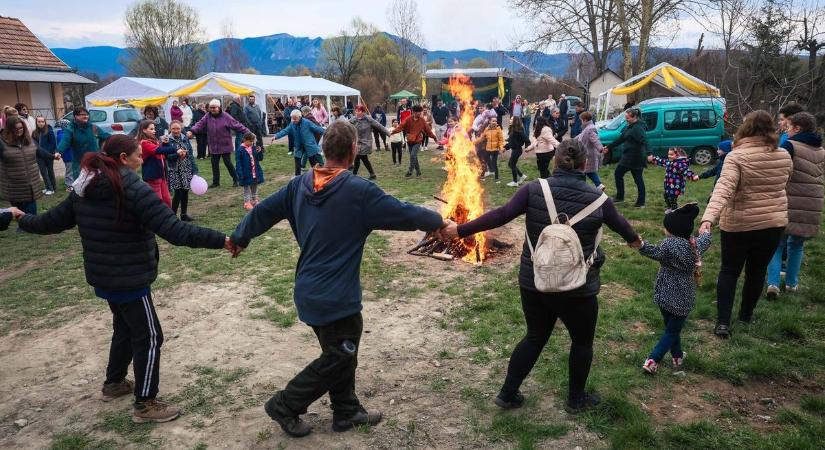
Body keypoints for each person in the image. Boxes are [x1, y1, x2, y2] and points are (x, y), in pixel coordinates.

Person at [226, 120, 448, 438]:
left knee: (342, 348)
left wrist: (240, 236)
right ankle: (285, 404)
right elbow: (405, 212)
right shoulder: (358, 191)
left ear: (324, 149)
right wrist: (438, 220)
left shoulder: (298, 185)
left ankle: (346, 411)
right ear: (354, 150)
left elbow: (261, 213)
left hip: (309, 290)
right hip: (333, 297)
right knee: (340, 354)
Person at [9, 134, 230, 424]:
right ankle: (145, 404)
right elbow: (176, 231)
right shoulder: (131, 187)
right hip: (129, 278)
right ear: (124, 159)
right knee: (150, 336)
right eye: (139, 155)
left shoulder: (84, 184)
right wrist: (223, 240)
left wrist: (22, 217)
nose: (142, 159)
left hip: (105, 277)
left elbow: (51, 222)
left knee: (125, 328)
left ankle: (114, 384)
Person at [439, 139, 641, 414]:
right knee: (582, 342)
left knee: (534, 336)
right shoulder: (600, 200)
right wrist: (637, 243)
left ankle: (507, 393)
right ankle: (576, 399)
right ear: (584, 165)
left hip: (535, 281)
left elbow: (501, 215)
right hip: (578, 288)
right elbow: (625, 229)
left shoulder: (533, 190)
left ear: (555, 162)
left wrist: (460, 230)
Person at [699, 110, 793, 339]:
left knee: (730, 271)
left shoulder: (736, 156)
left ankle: (723, 322)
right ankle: (745, 316)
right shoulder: (783, 155)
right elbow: (784, 183)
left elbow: (723, 188)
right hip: (773, 224)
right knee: (757, 271)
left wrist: (708, 218)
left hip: (739, 224)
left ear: (746, 129)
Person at [638, 204, 712, 374]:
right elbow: (705, 240)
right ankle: (676, 356)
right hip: (684, 296)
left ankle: (653, 359)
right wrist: (706, 229)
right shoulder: (694, 244)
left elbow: (653, 252)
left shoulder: (667, 245)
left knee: (671, 330)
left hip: (664, 293)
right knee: (672, 330)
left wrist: (641, 245)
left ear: (670, 230)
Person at [766, 112, 824, 299]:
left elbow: (778, 171)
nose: (786, 130)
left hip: (789, 201)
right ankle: (791, 284)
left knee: (776, 244)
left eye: (788, 127)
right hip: (812, 203)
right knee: (797, 245)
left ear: (797, 128)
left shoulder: (790, 146)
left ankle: (773, 283)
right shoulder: (821, 150)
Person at [188, 99, 249, 188]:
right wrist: (192, 131)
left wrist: (247, 132)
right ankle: (216, 182)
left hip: (225, 144)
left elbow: (237, 125)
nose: (212, 109)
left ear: (219, 107)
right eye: (211, 108)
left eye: (214, 108)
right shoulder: (207, 116)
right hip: (213, 145)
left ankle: (236, 179)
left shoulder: (226, 116)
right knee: (214, 164)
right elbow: (199, 124)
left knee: (228, 163)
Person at [0, 117, 46, 218]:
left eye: (21, 128)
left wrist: (54, 156)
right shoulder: (2, 143)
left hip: (30, 183)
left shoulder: (29, 140)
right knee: (18, 209)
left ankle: (30, 225)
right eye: (15, 129)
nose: (19, 131)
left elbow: (40, 151)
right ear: (9, 129)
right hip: (13, 184)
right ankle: (23, 225)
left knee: (31, 208)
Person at [606, 108, 648, 208]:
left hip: (636, 158)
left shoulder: (638, 128)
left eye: (628, 118)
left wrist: (649, 153)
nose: (626, 119)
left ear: (634, 117)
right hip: (628, 157)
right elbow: (621, 139)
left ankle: (640, 202)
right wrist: (608, 147)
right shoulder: (630, 126)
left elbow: (645, 141)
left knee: (637, 179)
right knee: (619, 174)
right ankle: (620, 197)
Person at [58, 106, 112, 179]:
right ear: (75, 116)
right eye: (82, 114)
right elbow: (64, 142)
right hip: (80, 165)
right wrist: (58, 152)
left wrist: (119, 139)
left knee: (98, 185)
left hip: (95, 163)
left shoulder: (93, 127)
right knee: (82, 187)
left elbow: (106, 136)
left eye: (87, 114)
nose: (86, 116)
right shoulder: (70, 129)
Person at [137, 119, 179, 207]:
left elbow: (163, 154)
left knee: (167, 200)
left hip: (161, 176)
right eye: (151, 129)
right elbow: (159, 150)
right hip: (153, 176)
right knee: (158, 202)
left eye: (154, 129)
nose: (154, 131)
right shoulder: (144, 143)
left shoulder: (154, 141)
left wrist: (166, 143)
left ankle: (168, 219)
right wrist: (175, 148)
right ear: (144, 130)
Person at [273, 109, 326, 177]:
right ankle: (297, 178)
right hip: (299, 146)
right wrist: (276, 136)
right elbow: (285, 131)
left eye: (295, 119)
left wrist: (327, 132)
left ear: (300, 117)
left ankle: (317, 176)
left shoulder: (307, 122)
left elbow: (317, 128)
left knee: (313, 163)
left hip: (309, 145)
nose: (293, 120)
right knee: (297, 162)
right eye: (292, 118)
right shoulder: (292, 124)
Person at [390, 104, 437, 178]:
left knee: (412, 155)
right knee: (414, 157)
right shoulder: (408, 120)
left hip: (418, 140)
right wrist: (392, 132)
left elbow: (428, 130)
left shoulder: (422, 120)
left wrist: (434, 137)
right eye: (419, 112)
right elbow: (400, 127)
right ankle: (418, 172)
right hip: (410, 140)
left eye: (421, 112)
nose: (421, 114)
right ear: (414, 112)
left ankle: (410, 171)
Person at [164, 121, 198, 221]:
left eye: (178, 128)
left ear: (181, 128)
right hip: (174, 170)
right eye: (173, 128)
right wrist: (178, 155)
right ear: (170, 129)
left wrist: (194, 169)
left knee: (185, 191)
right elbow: (167, 157)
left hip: (186, 168)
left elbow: (190, 155)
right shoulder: (167, 140)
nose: (176, 131)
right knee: (178, 192)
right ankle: (173, 216)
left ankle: (183, 215)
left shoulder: (185, 138)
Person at [647, 148, 699, 212]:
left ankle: (674, 210)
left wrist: (692, 176)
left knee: (672, 199)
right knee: (666, 196)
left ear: (678, 155)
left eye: (671, 154)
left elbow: (686, 170)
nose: (669, 156)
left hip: (676, 186)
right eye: (668, 154)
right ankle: (669, 207)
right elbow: (661, 161)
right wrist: (653, 159)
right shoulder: (669, 162)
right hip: (668, 185)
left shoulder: (680, 164)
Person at [350, 105, 389, 180]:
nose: (357, 112)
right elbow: (345, 126)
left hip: (366, 142)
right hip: (357, 142)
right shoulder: (353, 119)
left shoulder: (368, 119)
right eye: (356, 111)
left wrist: (388, 133)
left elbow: (379, 126)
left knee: (359, 157)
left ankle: (354, 175)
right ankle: (371, 174)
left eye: (359, 111)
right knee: (362, 158)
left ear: (363, 111)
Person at [576, 111, 605, 190]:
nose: (581, 121)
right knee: (589, 172)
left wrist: (601, 148)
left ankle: (582, 188)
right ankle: (599, 185)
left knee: (583, 172)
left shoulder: (590, 129)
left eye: (581, 120)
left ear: (585, 120)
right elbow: (580, 136)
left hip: (588, 155)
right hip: (586, 154)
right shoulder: (587, 128)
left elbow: (595, 140)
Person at [236, 132, 265, 210]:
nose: (252, 143)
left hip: (254, 172)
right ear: (245, 140)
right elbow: (238, 163)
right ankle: (247, 202)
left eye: (253, 141)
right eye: (250, 141)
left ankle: (254, 200)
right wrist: (240, 174)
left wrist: (259, 152)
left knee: (254, 186)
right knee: (247, 188)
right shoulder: (240, 150)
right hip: (246, 173)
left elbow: (260, 159)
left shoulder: (253, 148)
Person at [33, 116, 58, 195]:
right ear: (36, 123)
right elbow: (34, 144)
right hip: (39, 156)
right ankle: (48, 187)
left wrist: (47, 153)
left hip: (48, 155)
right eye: (39, 122)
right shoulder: (34, 132)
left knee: (50, 171)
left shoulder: (49, 131)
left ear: (45, 122)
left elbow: (53, 143)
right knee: (43, 172)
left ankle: (53, 188)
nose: (41, 123)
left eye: (42, 121)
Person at [475, 117, 505, 183]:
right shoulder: (487, 129)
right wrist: (475, 142)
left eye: (495, 121)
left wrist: (501, 148)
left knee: (494, 163)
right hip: (488, 149)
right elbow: (482, 138)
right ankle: (482, 175)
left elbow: (501, 140)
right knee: (484, 162)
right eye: (493, 121)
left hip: (495, 149)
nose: (494, 122)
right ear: (490, 122)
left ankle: (496, 178)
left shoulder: (498, 129)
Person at [504, 116, 529, 187]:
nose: (510, 120)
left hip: (517, 150)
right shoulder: (512, 129)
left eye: (512, 119)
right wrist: (506, 148)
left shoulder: (518, 130)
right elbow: (511, 142)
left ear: (515, 121)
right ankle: (522, 176)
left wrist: (527, 147)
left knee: (512, 164)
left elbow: (527, 140)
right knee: (510, 164)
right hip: (514, 149)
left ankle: (515, 182)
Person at [55, 119, 74, 190]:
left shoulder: (62, 133)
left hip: (70, 155)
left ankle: (71, 184)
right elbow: (66, 145)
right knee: (69, 171)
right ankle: (69, 186)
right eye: (68, 125)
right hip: (68, 155)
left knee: (71, 170)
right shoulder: (62, 135)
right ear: (65, 126)